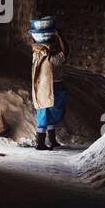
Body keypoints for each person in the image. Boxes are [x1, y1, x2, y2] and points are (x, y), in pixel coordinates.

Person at [30, 17, 69, 150]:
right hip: (54, 87)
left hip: (41, 87)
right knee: (50, 112)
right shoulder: (53, 60)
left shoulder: (37, 57)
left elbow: (34, 45)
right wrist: (59, 35)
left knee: (45, 112)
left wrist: (33, 36)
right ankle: (40, 143)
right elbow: (66, 52)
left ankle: (51, 141)